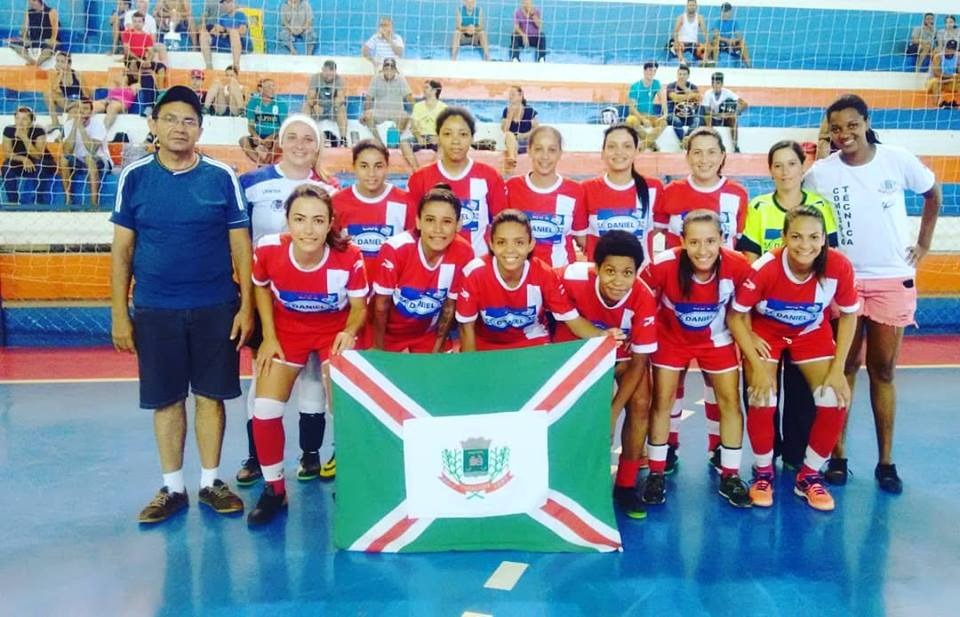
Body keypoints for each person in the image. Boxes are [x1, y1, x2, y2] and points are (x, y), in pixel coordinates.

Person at [110, 85, 252, 524]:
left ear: (201, 129)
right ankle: (173, 487)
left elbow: (241, 247)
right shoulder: (134, 178)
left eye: (189, 120)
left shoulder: (221, 176)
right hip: (155, 309)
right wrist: (119, 312)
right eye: (170, 118)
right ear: (153, 125)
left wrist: (246, 306)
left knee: (212, 397)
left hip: (215, 306)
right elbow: (122, 252)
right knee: (167, 400)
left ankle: (211, 481)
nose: (179, 127)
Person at [804, 94, 941, 494]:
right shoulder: (820, 174)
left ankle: (886, 462)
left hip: (891, 279)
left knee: (882, 371)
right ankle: (837, 456)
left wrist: (925, 244)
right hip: (843, 282)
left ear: (866, 122)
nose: (844, 134)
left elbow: (933, 193)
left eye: (851, 125)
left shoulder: (896, 159)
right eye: (836, 128)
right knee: (843, 368)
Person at [248, 184, 367, 525]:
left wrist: (349, 331)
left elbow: (359, 307)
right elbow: (260, 286)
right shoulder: (269, 250)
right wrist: (268, 336)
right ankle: (274, 491)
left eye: (317, 220)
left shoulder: (349, 256)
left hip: (333, 331)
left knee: (343, 407)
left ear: (330, 223)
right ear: (287, 221)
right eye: (299, 219)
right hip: (287, 331)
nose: (308, 229)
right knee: (265, 408)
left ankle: (352, 484)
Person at [729, 207, 860, 511]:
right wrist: (756, 364)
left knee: (835, 397)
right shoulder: (765, 267)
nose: (805, 245)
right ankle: (763, 473)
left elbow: (850, 315)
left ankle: (809, 476)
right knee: (762, 396)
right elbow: (736, 316)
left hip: (810, 333)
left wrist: (839, 369)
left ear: (824, 239)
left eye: (814, 237)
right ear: (785, 238)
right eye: (797, 237)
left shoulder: (838, 266)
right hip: (766, 333)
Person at [236, 115, 340, 487]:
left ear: (318, 146)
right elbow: (238, 242)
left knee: (315, 377)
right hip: (267, 294)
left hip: (316, 301)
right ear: (281, 141)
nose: (300, 144)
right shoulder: (250, 183)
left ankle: (310, 456)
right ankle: (254, 456)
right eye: (292, 137)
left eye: (308, 139)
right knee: (264, 376)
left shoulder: (330, 188)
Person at [639, 209, 752, 509]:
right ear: (682, 242)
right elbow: (641, 300)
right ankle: (656, 472)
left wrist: (754, 353)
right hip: (671, 339)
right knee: (662, 401)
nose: (703, 250)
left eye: (711, 241)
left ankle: (730, 474)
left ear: (723, 240)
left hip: (716, 339)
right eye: (695, 242)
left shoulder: (738, 266)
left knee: (730, 401)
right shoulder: (662, 265)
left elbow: (744, 312)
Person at [736, 140, 839, 470]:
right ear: (770, 171)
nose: (785, 171)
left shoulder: (821, 206)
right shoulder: (759, 206)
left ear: (802, 167)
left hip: (806, 313)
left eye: (791, 164)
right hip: (765, 308)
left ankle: (797, 455)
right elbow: (750, 257)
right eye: (777, 165)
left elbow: (829, 258)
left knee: (802, 392)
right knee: (762, 390)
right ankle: (767, 457)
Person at [654, 126, 748, 469]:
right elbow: (661, 242)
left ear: (723, 156)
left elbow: (738, 248)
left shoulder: (737, 194)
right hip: (679, 299)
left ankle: (718, 449)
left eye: (712, 152)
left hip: (720, 300)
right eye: (697, 152)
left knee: (717, 382)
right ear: (688, 156)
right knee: (671, 381)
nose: (705, 159)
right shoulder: (672, 192)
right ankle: (670, 447)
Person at [556, 231, 657, 519]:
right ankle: (568, 477)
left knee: (639, 403)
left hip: (624, 359)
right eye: (610, 271)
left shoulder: (643, 298)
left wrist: (612, 414)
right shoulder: (572, 276)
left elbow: (639, 360)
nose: (618, 280)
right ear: (596, 268)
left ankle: (625, 485)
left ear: (636, 273)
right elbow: (540, 278)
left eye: (627, 273)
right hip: (580, 355)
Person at [456, 209, 616, 351]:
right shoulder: (474, 273)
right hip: (486, 343)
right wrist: (473, 367)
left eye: (519, 242)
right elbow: (466, 328)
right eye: (501, 242)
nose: (510, 250)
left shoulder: (543, 274)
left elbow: (572, 319)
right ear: (491, 244)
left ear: (531, 244)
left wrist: (603, 335)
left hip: (532, 341)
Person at [372, 185, 475, 352]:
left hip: (426, 335)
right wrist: (378, 349)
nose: (437, 229)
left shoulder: (464, 252)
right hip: (386, 335)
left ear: (458, 225)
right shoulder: (396, 249)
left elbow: (449, 307)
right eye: (430, 220)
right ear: (418, 222)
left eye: (447, 222)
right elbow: (381, 305)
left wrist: (436, 350)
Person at [407, 106, 507, 258]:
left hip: (476, 267)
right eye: (447, 134)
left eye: (463, 134)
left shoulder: (490, 177)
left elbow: (502, 227)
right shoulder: (420, 178)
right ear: (438, 136)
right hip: (434, 268)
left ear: (472, 138)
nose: (455, 141)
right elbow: (412, 229)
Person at [333, 140, 413, 284]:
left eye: (378, 166)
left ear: (387, 167)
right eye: (364, 166)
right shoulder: (338, 202)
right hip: (353, 289)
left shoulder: (405, 202)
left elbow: (413, 251)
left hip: (390, 288)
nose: (371, 173)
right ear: (354, 167)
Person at [505, 126, 586, 268]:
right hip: (521, 276)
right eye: (538, 149)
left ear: (560, 153)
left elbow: (583, 239)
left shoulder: (574, 191)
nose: (545, 156)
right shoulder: (512, 187)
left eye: (552, 150)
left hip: (560, 275)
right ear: (529, 151)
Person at [581, 124, 663, 261]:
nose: (619, 152)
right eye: (612, 146)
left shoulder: (653, 188)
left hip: (641, 275)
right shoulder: (586, 189)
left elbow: (657, 228)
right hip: (600, 277)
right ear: (602, 153)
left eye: (627, 146)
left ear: (637, 151)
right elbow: (581, 236)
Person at [61, 98, 112, 209]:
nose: (81, 111)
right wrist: (75, 127)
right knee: (64, 159)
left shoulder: (98, 125)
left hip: (101, 160)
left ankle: (94, 204)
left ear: (91, 111)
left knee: (89, 158)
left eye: (85, 109)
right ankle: (68, 200)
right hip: (79, 160)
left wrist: (81, 128)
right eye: (79, 108)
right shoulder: (68, 125)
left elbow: (92, 150)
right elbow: (67, 151)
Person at [2, 106, 56, 206]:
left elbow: (38, 155)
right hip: (20, 161)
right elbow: (8, 153)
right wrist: (23, 159)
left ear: (31, 121)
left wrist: (24, 137)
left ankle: (39, 200)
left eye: (24, 119)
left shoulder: (39, 130)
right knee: (6, 167)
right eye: (17, 118)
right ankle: (13, 201)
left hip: (41, 161)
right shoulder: (9, 129)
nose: (20, 122)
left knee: (41, 166)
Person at [361, 58, 414, 150]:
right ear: (383, 69)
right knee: (368, 115)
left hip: (396, 112)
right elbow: (369, 98)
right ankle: (379, 143)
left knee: (405, 116)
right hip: (380, 112)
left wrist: (415, 114)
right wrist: (365, 113)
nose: (389, 70)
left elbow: (409, 98)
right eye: (386, 68)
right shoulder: (376, 79)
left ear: (395, 70)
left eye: (391, 68)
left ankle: (394, 142)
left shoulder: (401, 80)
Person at [399, 79, 447, 170]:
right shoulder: (418, 106)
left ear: (434, 90)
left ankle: (431, 170)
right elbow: (413, 125)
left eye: (426, 87)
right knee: (403, 143)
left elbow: (446, 127)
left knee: (445, 145)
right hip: (420, 137)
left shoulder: (443, 107)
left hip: (436, 137)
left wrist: (439, 137)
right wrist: (418, 137)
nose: (423, 90)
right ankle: (416, 169)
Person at [240, 78, 288, 166]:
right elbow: (250, 125)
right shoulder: (253, 102)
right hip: (259, 135)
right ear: (261, 89)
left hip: (274, 136)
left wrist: (270, 137)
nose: (273, 89)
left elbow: (283, 127)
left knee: (280, 142)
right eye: (269, 87)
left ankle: (266, 163)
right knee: (243, 140)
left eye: (274, 86)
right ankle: (261, 164)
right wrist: (255, 136)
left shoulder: (281, 104)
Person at [625, 61, 667, 152]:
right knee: (631, 121)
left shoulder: (656, 83)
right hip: (636, 114)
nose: (652, 73)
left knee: (663, 123)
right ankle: (652, 144)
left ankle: (644, 145)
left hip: (649, 115)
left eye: (654, 71)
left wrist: (665, 113)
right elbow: (631, 108)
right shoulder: (635, 86)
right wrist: (643, 119)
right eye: (649, 70)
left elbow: (663, 99)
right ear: (644, 71)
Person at [304, 60, 348, 147]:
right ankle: (305, 135)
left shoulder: (339, 80)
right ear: (322, 70)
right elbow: (310, 98)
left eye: (331, 75)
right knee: (306, 106)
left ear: (335, 72)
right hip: (318, 107)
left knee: (342, 108)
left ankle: (343, 139)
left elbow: (341, 98)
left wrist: (336, 104)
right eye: (326, 74)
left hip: (332, 109)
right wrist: (315, 105)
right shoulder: (315, 78)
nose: (329, 77)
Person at [702, 72, 748, 152]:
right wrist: (720, 115)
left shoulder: (727, 93)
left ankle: (735, 146)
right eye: (713, 83)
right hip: (713, 118)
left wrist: (733, 113)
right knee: (707, 117)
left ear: (722, 84)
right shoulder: (708, 94)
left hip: (725, 119)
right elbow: (706, 111)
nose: (715, 85)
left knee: (733, 118)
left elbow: (744, 104)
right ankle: (711, 144)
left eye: (718, 83)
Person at [199, 0, 250, 71]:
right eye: (224, 3)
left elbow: (242, 31)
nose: (226, 5)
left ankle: (236, 66)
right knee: (204, 34)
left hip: (239, 44)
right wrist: (215, 31)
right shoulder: (222, 17)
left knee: (233, 32)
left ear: (233, 3)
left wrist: (225, 30)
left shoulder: (240, 15)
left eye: (229, 2)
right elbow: (217, 32)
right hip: (226, 42)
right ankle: (209, 66)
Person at [501, 85, 539, 170]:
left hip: (526, 142)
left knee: (513, 139)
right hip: (512, 143)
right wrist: (510, 116)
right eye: (509, 94)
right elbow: (504, 130)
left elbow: (536, 130)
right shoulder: (506, 110)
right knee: (509, 135)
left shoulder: (530, 111)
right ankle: (512, 158)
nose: (510, 97)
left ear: (520, 95)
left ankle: (512, 162)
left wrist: (523, 135)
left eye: (513, 94)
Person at [45, 51, 87, 127]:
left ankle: (63, 132)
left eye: (62, 62)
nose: (59, 64)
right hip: (66, 103)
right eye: (57, 61)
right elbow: (54, 90)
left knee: (74, 112)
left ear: (69, 64)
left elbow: (86, 94)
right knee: (48, 93)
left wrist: (80, 102)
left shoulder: (77, 74)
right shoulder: (55, 75)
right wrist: (60, 74)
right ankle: (55, 123)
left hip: (78, 102)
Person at [10, 0, 59, 67]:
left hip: (47, 40)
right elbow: (24, 28)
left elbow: (55, 28)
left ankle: (37, 64)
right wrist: (25, 38)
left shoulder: (51, 11)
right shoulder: (29, 12)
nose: (30, 4)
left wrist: (52, 39)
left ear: (38, 1)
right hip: (34, 40)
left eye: (32, 2)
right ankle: (32, 61)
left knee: (49, 50)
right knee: (13, 44)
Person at [666, 65, 701, 147]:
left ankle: (686, 140)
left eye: (684, 74)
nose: (681, 76)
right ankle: (685, 142)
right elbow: (675, 98)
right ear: (677, 75)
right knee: (676, 120)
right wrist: (690, 95)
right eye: (680, 74)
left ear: (688, 76)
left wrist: (684, 89)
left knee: (697, 120)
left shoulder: (693, 86)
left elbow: (698, 97)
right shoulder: (671, 86)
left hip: (689, 115)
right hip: (674, 114)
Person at [707, 2, 751, 67]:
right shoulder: (717, 21)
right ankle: (715, 65)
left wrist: (735, 40)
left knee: (742, 43)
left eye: (726, 12)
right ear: (721, 12)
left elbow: (739, 36)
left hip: (729, 43)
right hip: (719, 43)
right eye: (723, 12)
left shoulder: (734, 22)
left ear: (730, 12)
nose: (724, 14)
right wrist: (728, 40)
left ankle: (749, 66)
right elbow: (717, 36)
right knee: (716, 42)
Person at [670, 0, 706, 65]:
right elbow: (675, 32)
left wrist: (707, 43)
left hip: (693, 45)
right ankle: (682, 60)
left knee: (704, 49)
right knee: (677, 46)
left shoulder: (700, 18)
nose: (691, 7)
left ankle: (705, 61)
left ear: (696, 6)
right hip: (682, 43)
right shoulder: (681, 17)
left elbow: (705, 32)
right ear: (687, 6)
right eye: (690, 5)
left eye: (693, 5)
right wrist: (677, 42)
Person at [926, 39, 959, 108]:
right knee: (936, 82)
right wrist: (952, 77)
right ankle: (935, 107)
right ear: (945, 47)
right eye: (948, 48)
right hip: (933, 81)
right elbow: (937, 74)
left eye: (952, 49)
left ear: (955, 50)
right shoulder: (938, 57)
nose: (949, 50)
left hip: (949, 82)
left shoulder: (958, 57)